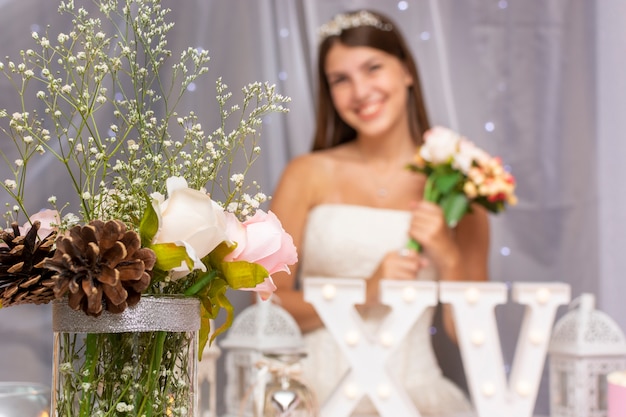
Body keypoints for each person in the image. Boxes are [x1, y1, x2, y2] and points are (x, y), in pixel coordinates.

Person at [269, 9, 489, 416]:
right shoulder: (307, 174)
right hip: (313, 395)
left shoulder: (462, 187)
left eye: (373, 68)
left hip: (417, 397)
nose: (360, 90)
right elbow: (267, 306)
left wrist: (448, 255)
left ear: (406, 70)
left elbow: (474, 335)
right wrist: (362, 292)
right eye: (341, 79)